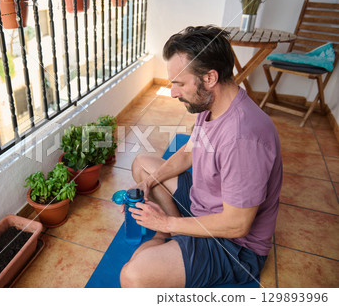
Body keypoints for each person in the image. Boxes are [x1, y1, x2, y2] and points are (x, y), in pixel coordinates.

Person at [120, 25, 282, 288]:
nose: (172, 92)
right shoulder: (211, 106)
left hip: (234, 246)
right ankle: (169, 233)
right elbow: (187, 155)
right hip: (202, 207)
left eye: (179, 84)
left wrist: (165, 219)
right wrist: (149, 183)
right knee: (143, 165)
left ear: (209, 78)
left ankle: (169, 231)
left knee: (132, 276)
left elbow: (237, 225)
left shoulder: (243, 137)